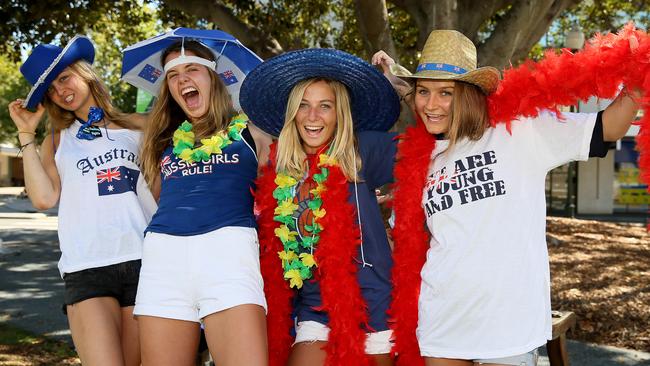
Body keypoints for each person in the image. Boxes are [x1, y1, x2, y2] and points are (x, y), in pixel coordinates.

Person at [373, 30, 642, 366]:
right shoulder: (419, 160)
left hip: (508, 320)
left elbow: (610, 127)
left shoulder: (520, 131)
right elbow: (409, 242)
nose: (431, 104)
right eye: (424, 92)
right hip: (442, 317)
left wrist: (640, 72)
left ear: (470, 94)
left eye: (446, 93)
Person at [239, 48, 401, 366]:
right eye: (304, 105)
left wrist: (406, 90)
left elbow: (430, 152)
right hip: (314, 307)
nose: (313, 116)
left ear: (339, 113)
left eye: (324, 106)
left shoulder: (361, 149)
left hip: (373, 306)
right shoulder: (279, 168)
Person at [8, 36, 156, 366]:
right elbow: (45, 198)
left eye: (64, 78)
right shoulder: (57, 138)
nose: (61, 91)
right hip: (86, 265)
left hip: (144, 262)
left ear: (84, 72)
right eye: (52, 90)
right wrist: (26, 136)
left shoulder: (139, 125)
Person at [136, 39, 272, 366]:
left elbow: (292, 180)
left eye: (192, 69)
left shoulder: (252, 132)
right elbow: (154, 198)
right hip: (164, 256)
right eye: (173, 75)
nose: (183, 80)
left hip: (229, 252)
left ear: (214, 78)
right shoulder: (164, 141)